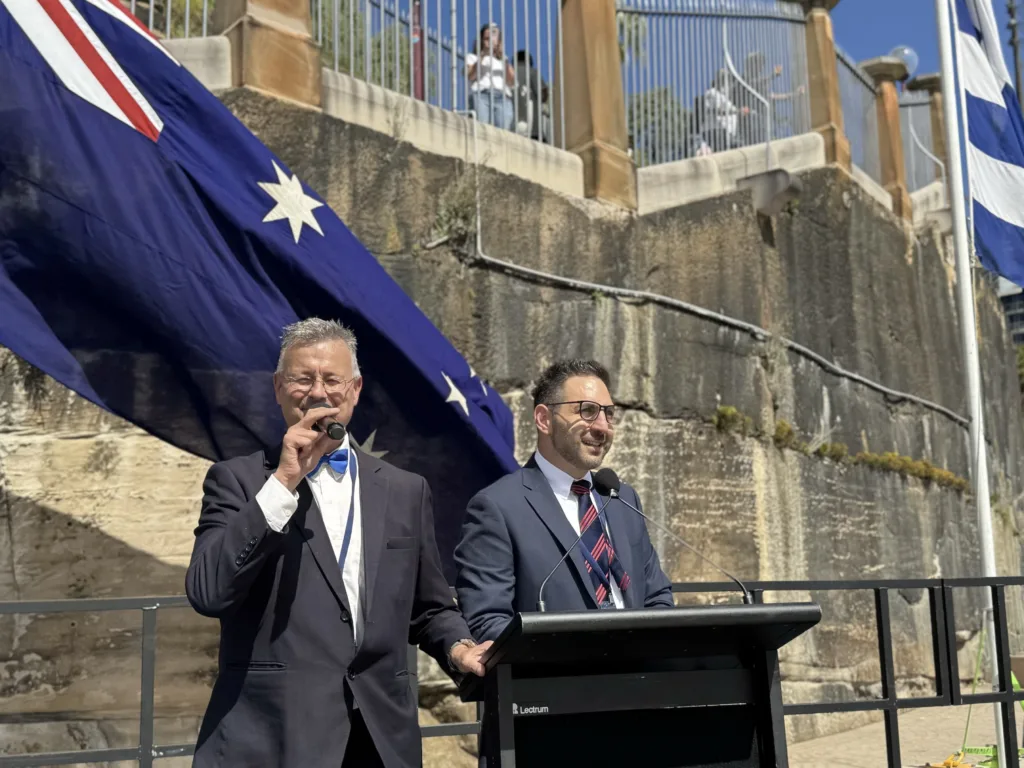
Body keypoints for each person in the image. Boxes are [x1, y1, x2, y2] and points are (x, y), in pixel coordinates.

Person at [185, 318, 491, 768]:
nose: (318, 393)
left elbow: (429, 607)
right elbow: (208, 591)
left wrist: (459, 646)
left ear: (355, 389)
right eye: (302, 379)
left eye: (332, 379)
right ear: (277, 387)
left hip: (379, 737)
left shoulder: (405, 490)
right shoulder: (237, 481)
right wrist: (283, 482)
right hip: (274, 736)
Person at [454, 359, 674, 643]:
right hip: (556, 681)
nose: (603, 427)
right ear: (544, 419)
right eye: (588, 411)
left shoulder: (621, 498)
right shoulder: (497, 507)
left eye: (609, 414)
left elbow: (657, 597)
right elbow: (488, 623)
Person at [466, 23, 515, 131]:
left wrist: (503, 59)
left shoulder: (504, 60)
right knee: (481, 130)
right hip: (482, 95)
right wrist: (483, 54)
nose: (490, 41)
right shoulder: (473, 57)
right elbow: (470, 76)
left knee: (503, 134)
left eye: (494, 35)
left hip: (503, 97)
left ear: (499, 40)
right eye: (487, 38)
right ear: (482, 40)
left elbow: (512, 81)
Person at [514, 50, 549, 142]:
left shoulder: (510, 73)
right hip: (533, 129)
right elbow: (542, 93)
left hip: (514, 126)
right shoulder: (532, 72)